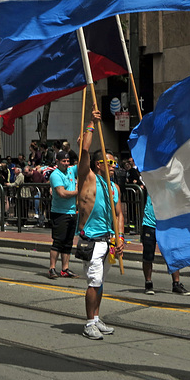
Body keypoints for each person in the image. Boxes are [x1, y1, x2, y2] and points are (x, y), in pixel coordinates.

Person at [76, 108, 125, 340]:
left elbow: (119, 214)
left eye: (115, 162)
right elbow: (84, 150)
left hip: (108, 241)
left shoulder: (114, 187)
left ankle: (96, 318)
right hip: (92, 241)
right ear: (98, 164)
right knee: (94, 282)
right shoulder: (89, 178)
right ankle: (88, 323)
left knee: (101, 281)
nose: (113, 165)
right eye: (109, 161)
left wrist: (121, 237)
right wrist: (91, 124)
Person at [141, 195, 190, 295]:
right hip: (150, 224)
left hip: (167, 225)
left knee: (173, 254)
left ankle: (176, 284)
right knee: (148, 255)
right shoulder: (151, 181)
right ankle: (148, 283)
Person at [47, 151, 79, 279]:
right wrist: (77, 191)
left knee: (68, 242)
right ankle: (52, 268)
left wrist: (82, 147)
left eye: (67, 161)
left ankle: (65, 269)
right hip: (59, 213)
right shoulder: (55, 175)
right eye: (63, 161)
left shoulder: (71, 170)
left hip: (72, 212)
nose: (66, 164)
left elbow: (83, 164)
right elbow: (62, 193)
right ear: (58, 162)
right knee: (58, 241)